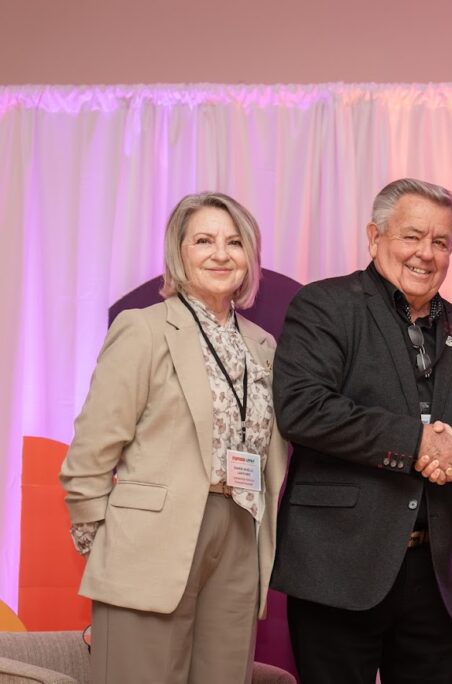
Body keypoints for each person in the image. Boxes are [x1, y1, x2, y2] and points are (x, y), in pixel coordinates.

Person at [270, 178, 452, 683]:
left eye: (441, 242)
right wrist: (416, 441)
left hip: (436, 579)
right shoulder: (326, 306)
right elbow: (303, 408)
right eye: (412, 236)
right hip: (339, 568)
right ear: (374, 236)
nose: (426, 254)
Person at [59, 192, 288, 683]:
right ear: (178, 252)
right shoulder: (143, 330)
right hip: (150, 539)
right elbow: (91, 452)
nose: (221, 254)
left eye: (234, 242)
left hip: (240, 529)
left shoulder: (262, 345)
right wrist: (102, 546)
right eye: (204, 240)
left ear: (250, 256)